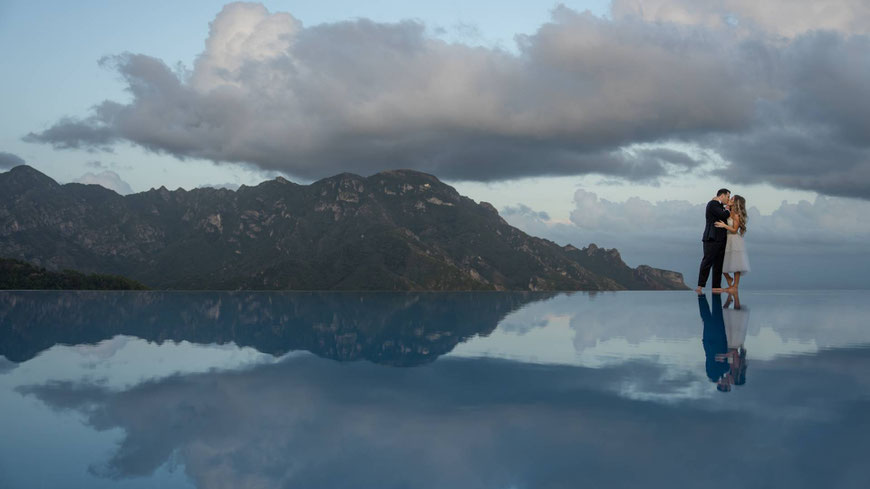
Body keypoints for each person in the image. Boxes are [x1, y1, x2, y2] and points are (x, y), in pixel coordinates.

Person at [695, 189, 730, 294]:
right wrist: (727, 209)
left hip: (721, 239)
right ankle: (700, 286)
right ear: (722, 196)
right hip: (711, 238)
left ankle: (716, 286)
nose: (728, 199)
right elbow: (724, 215)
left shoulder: (720, 206)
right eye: (728, 197)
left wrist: (727, 208)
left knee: (719, 264)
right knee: (707, 261)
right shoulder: (712, 204)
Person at [713, 195, 750, 293]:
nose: (730, 199)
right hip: (725, 238)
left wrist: (724, 225)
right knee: (720, 261)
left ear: (736, 202)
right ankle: (729, 280)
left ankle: (735, 286)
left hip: (733, 239)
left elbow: (734, 230)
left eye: (732, 198)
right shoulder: (727, 211)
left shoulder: (736, 214)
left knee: (736, 263)